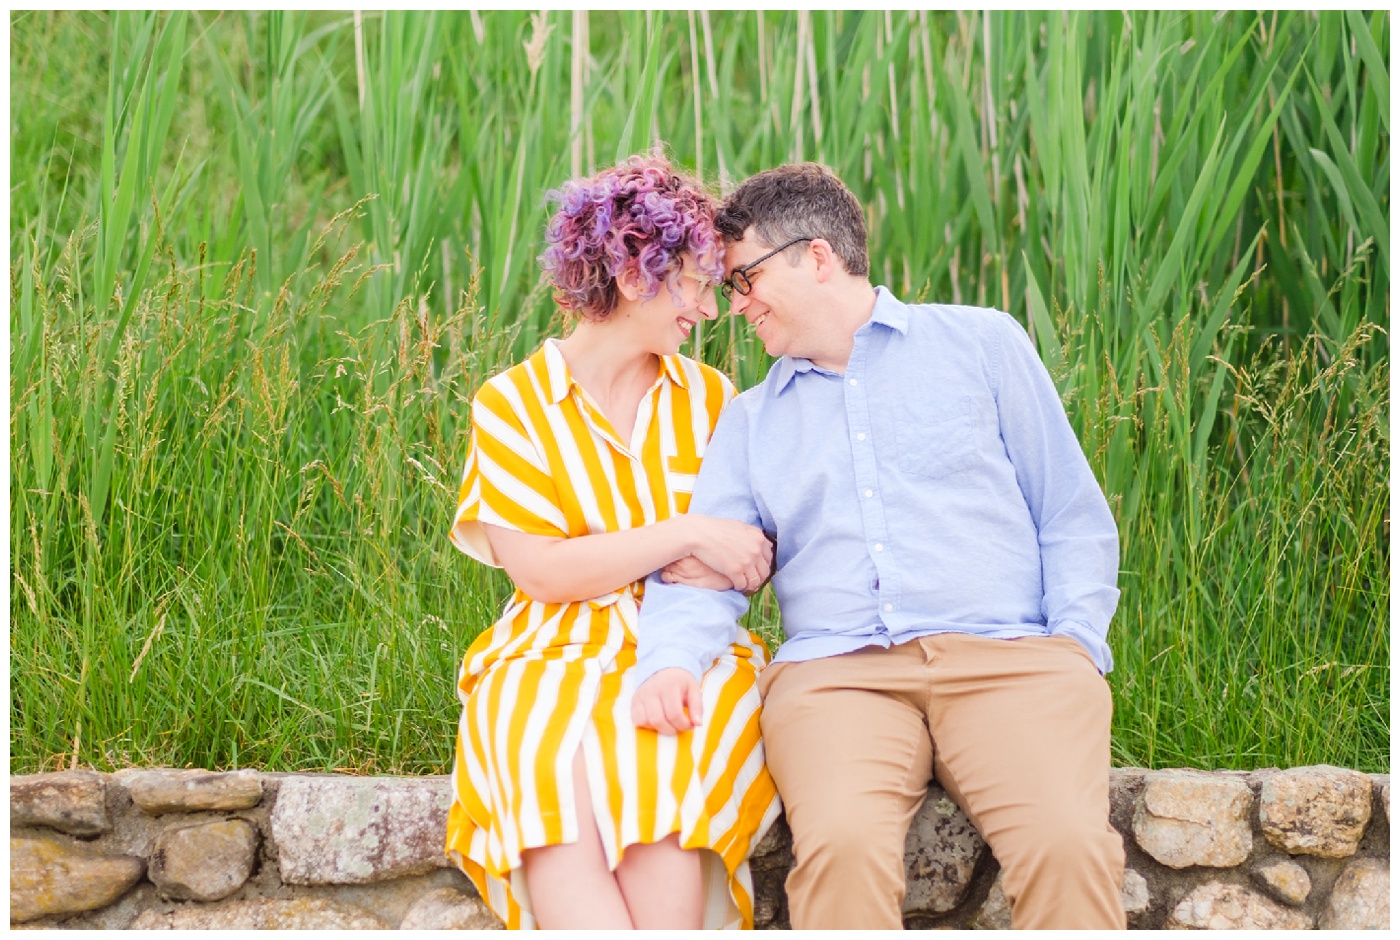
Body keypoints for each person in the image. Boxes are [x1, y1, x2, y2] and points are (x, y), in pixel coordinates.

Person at [631, 163, 1127, 929]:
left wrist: (1074, 642)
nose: (738, 306)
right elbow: (705, 577)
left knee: (1068, 846)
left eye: (746, 280)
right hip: (837, 680)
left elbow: (1069, 513)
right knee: (841, 850)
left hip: (1013, 661)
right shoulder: (751, 419)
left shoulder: (983, 344)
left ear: (818, 257)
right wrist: (669, 661)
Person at [445, 152, 781, 930]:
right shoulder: (514, 404)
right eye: (698, 282)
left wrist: (639, 554)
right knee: (550, 776)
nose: (711, 308)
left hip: (684, 642)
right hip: (546, 650)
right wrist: (685, 533)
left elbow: (739, 559)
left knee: (659, 780)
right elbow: (542, 575)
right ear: (635, 276)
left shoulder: (711, 400)